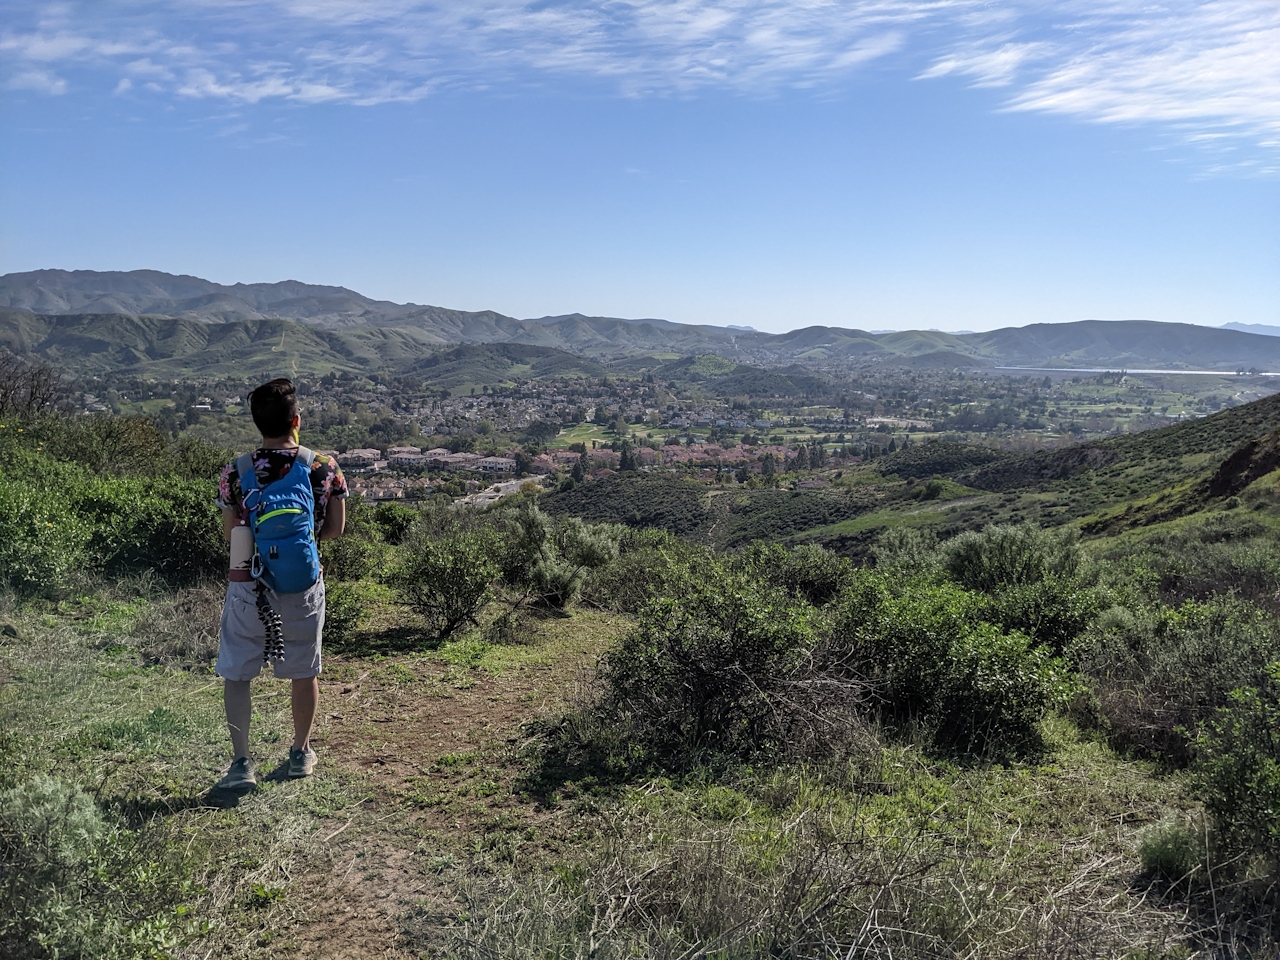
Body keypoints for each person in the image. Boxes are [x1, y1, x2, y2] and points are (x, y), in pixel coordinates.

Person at [213, 378, 347, 791]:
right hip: (302, 583)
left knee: (238, 671)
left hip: (248, 582)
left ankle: (240, 763)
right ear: (296, 420)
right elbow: (336, 530)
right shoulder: (323, 467)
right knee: (304, 669)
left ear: (258, 424)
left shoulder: (236, 471)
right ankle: (300, 753)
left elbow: (229, 533)